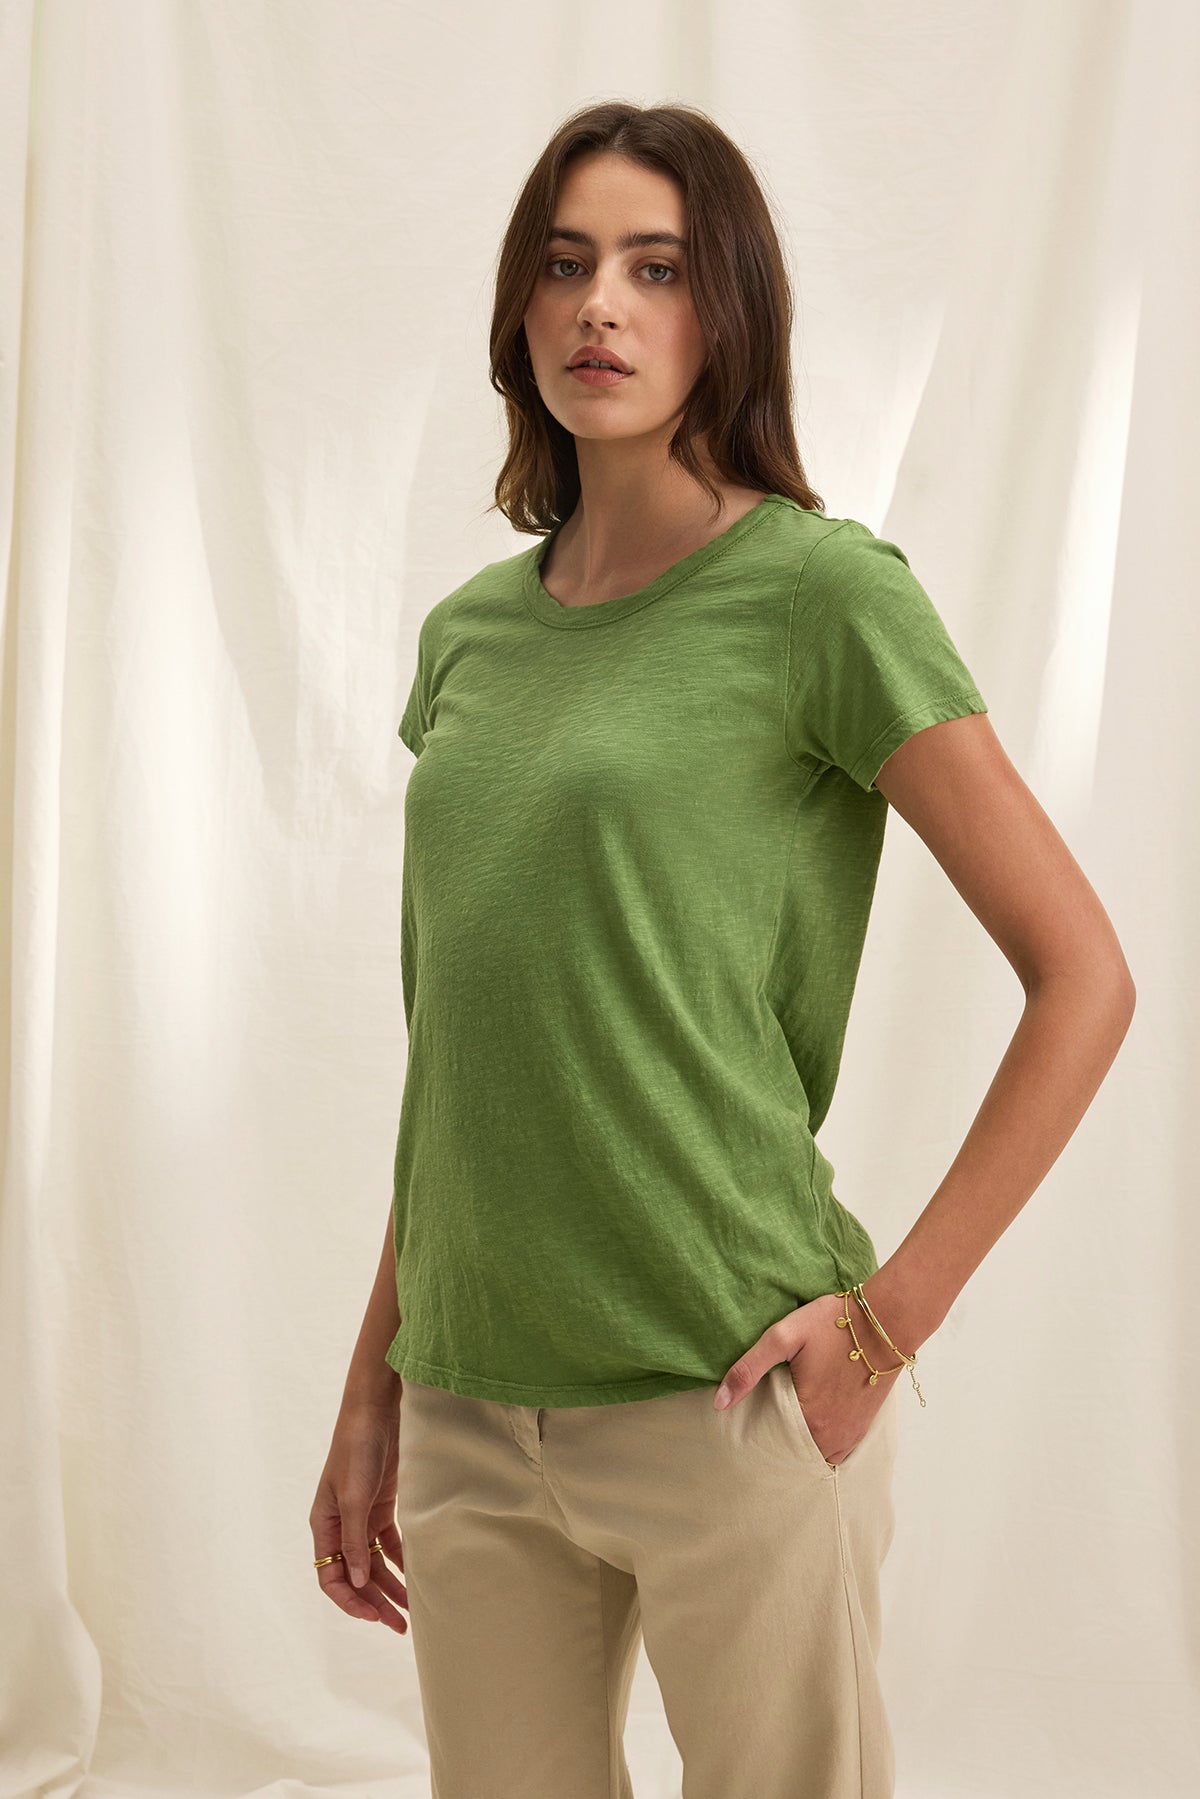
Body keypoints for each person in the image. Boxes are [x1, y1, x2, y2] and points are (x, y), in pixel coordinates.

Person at [309, 100, 1136, 1799]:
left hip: (731, 1388)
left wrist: (891, 1322)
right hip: (470, 1397)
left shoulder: (823, 597)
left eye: (655, 267)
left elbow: (1085, 975)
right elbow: (468, 1048)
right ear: (518, 317)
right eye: (565, 265)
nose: (600, 306)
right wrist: (374, 1383)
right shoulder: (469, 640)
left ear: (726, 310)